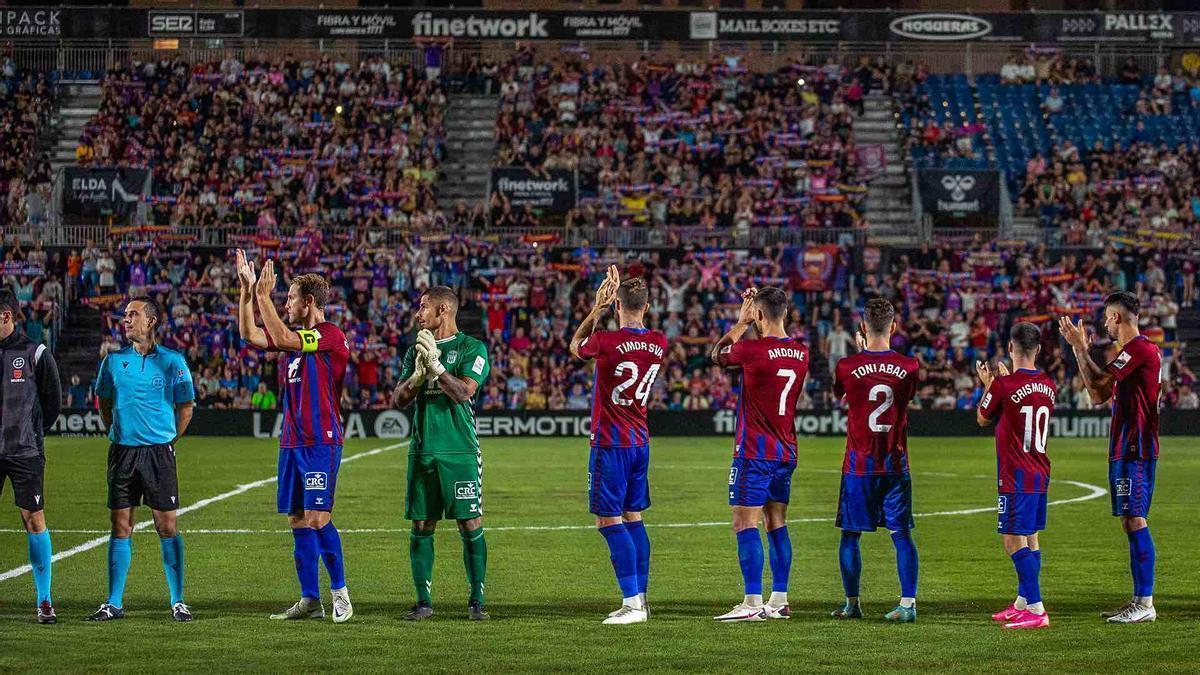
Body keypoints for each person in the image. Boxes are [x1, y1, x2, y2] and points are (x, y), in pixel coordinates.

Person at [235, 250, 353, 623]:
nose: (285, 303)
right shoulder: (295, 340)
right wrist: (247, 292)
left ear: (310, 303)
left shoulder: (331, 335)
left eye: (290, 298)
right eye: (282, 298)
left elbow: (284, 335)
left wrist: (263, 297)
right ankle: (309, 600)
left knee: (319, 518)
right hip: (291, 441)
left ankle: (341, 594)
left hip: (321, 440)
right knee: (298, 519)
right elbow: (250, 334)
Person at [569, 266, 667, 624]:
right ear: (648, 305)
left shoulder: (607, 341)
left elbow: (576, 347)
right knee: (634, 517)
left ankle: (632, 604)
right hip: (640, 440)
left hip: (611, 443)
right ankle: (641, 596)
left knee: (607, 520)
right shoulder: (659, 342)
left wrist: (596, 308)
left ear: (616, 305)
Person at [89, 296, 195, 622]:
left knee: (167, 525)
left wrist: (168, 441)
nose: (126, 320)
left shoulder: (173, 361)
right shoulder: (112, 361)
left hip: (158, 454)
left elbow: (186, 408)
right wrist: (117, 433)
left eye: (133, 315)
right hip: (122, 453)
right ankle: (113, 602)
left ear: (150, 321)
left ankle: (178, 601)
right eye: (125, 315)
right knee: (121, 526)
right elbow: (103, 403)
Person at [1059, 292, 1161, 624]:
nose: (1104, 323)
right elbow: (1098, 393)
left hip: (1137, 448)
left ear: (1117, 317)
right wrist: (1079, 350)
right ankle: (1138, 599)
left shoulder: (1139, 350)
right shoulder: (1128, 354)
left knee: (1135, 520)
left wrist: (1079, 348)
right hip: (1124, 447)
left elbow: (1099, 383)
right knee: (1129, 520)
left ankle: (1145, 602)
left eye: (1106, 317)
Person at [391, 285, 492, 621]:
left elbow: (463, 392)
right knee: (421, 524)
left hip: (460, 450)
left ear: (443, 310)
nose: (418, 314)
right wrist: (419, 376)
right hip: (422, 449)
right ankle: (423, 602)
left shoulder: (471, 347)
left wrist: (436, 368)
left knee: (469, 522)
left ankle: (476, 601)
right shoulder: (414, 351)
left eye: (423, 308)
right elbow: (398, 400)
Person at [710, 287, 808, 622]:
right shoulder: (800, 352)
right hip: (785, 449)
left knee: (743, 523)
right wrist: (758, 320)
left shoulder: (751, 349)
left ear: (760, 315)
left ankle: (752, 603)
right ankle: (779, 600)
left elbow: (718, 354)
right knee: (776, 522)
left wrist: (741, 322)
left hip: (754, 450)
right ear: (787, 312)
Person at [829, 298, 921, 622]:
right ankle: (908, 604)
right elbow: (906, 397)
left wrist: (859, 355)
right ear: (894, 327)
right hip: (895, 464)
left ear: (863, 327)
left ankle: (852, 604)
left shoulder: (846, 366)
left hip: (859, 466)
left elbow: (841, 393)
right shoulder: (910, 366)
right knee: (902, 535)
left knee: (850, 536)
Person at [977, 322, 1056, 630]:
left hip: (1015, 475)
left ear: (1010, 348)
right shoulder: (1049, 384)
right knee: (1031, 536)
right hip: (1040, 471)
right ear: (1038, 350)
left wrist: (988, 385)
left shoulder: (1002, 385)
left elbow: (983, 418)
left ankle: (1036, 609)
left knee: (1012, 540)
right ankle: (1024, 601)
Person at [0, 289, 61, 623]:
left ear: (7, 316)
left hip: (25, 451)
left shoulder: (35, 352)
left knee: (33, 519)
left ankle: (44, 600)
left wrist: (33, 433)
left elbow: (53, 402)